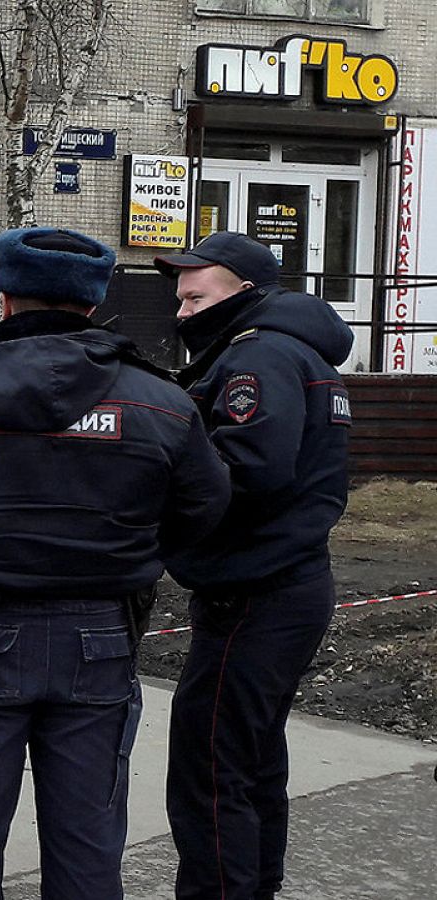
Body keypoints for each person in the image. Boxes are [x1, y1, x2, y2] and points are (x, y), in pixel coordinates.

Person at [0, 228, 230, 900]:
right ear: (94, 300)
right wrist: (130, 555)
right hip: (99, 637)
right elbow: (205, 507)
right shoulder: (161, 400)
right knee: (87, 851)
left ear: (2, 294)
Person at [154, 231, 355, 900]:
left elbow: (246, 472)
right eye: (179, 300)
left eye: (195, 297)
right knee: (252, 764)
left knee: (210, 772)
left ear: (245, 291)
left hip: (255, 595)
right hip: (283, 585)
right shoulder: (293, 351)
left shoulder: (260, 356)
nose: (182, 313)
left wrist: (154, 500)